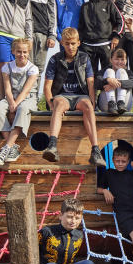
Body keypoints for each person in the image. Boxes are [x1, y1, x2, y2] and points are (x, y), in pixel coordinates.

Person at [41, 27, 106, 167]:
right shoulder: (55, 59)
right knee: (58, 105)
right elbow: (47, 86)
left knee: (88, 106)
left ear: (78, 43)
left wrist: (92, 101)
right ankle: (52, 145)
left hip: (80, 95)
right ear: (62, 43)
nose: (70, 47)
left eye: (73, 43)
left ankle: (95, 150)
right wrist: (51, 104)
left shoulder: (84, 58)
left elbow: (90, 81)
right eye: (67, 44)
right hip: (62, 96)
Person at [0, 37, 39, 165]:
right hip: (11, 97)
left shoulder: (33, 69)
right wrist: (11, 102)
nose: (21, 55)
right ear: (13, 51)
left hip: (28, 98)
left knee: (23, 109)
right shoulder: (7, 67)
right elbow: (7, 88)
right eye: (18, 52)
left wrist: (16, 103)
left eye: (24, 52)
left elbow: (26, 90)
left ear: (28, 52)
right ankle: (12, 147)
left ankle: (6, 148)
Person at [78, 0, 123, 78]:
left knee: (108, 74)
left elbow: (120, 21)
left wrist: (116, 36)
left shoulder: (109, 4)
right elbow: (80, 27)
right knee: (89, 76)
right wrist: (79, 42)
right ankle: (91, 94)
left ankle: (105, 95)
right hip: (88, 46)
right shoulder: (84, 7)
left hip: (105, 44)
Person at [97, 48, 133, 115]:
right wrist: (108, 80)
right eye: (116, 59)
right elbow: (96, 83)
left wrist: (116, 83)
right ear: (111, 60)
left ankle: (120, 102)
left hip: (124, 105)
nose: (119, 62)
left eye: (122, 59)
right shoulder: (104, 71)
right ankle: (111, 104)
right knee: (109, 71)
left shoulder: (128, 72)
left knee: (121, 71)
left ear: (126, 61)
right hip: (106, 105)